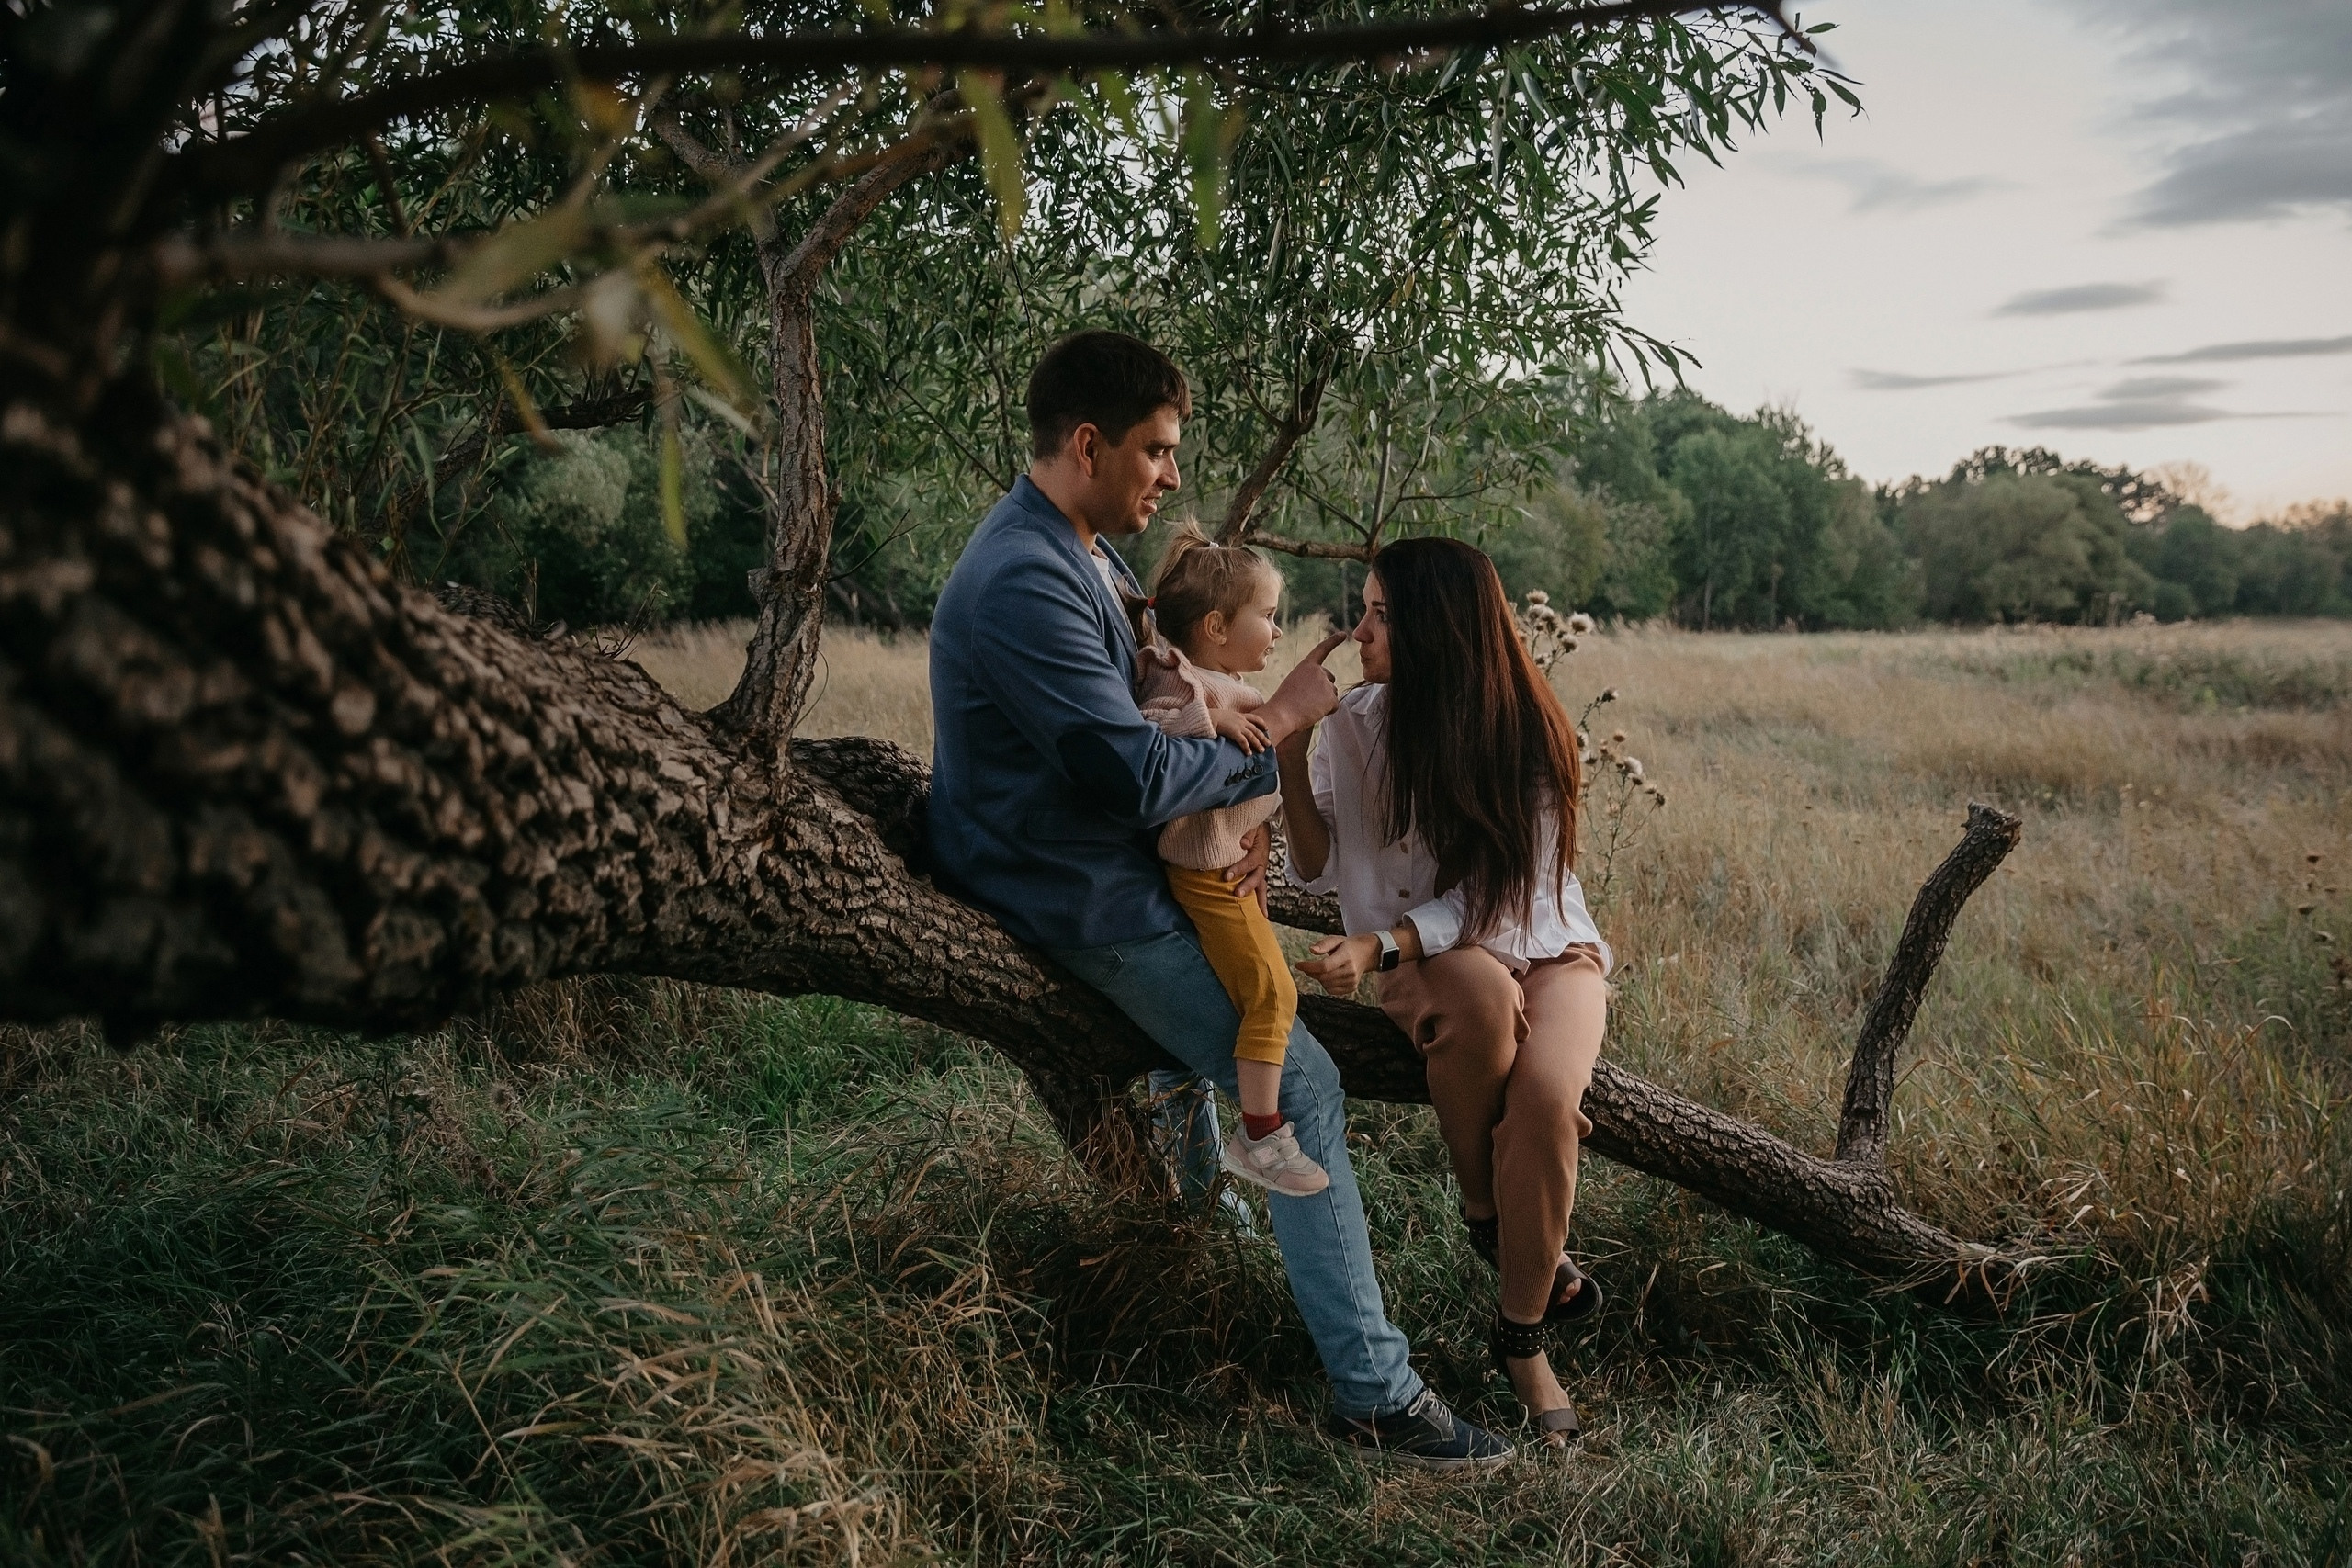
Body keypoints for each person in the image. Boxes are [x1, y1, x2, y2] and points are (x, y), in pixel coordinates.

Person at [928, 329, 1512, 1470]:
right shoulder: (1027, 578)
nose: (1172, 473)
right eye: (1155, 450)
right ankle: (1375, 1395)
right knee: (1302, 1079)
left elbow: (1159, 731)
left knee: (1232, 1061)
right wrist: (1280, 730)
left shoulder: (1082, 550)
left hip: (1115, 861)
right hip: (1072, 890)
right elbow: (1133, 774)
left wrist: (1225, 836)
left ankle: (1207, 1237)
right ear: (1087, 443)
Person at [1279, 536, 1611, 1450]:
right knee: (1469, 990)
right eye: (1363, 609)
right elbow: (1310, 869)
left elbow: (1499, 898)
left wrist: (1381, 938)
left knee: (1545, 1101)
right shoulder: (1354, 728)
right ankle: (1486, 1216)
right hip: (1442, 968)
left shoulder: (1528, 731)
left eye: (1382, 614)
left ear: (1435, 628)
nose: (1359, 630)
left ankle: (1520, 1337)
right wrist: (1291, 739)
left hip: (1550, 952)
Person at [1127, 522, 1327, 1197]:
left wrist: (1261, 830)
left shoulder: (1224, 680)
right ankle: (1262, 1134)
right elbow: (1153, 740)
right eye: (1267, 616)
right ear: (1215, 625)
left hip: (1226, 864)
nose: (1276, 631)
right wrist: (1222, 727)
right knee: (1274, 991)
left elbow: (1240, 786)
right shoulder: (1184, 680)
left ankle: (1247, 1132)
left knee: (1260, 989)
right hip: (1205, 876)